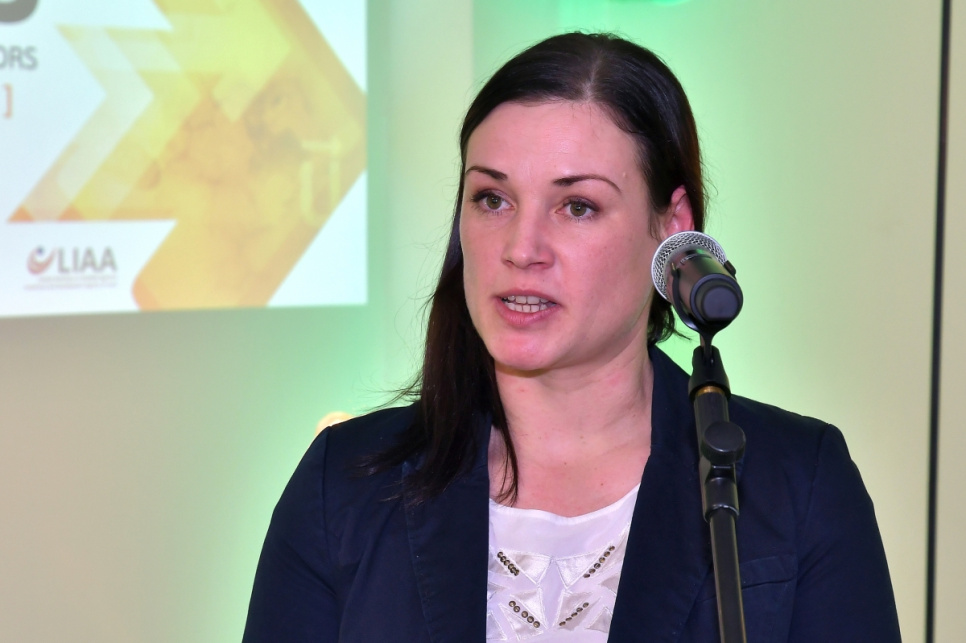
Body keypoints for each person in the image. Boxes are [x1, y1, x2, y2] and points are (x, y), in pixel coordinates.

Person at [243, 33, 901, 642]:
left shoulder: (796, 486)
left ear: (672, 227)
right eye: (492, 198)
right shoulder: (344, 486)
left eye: (577, 206)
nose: (521, 248)